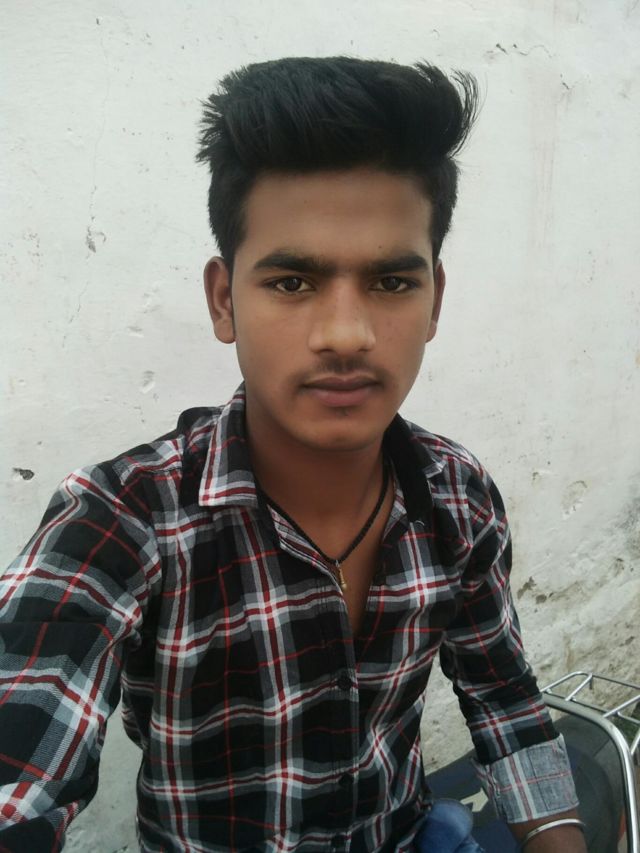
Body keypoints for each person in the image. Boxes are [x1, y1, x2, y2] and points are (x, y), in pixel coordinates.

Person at [0, 57, 586, 852]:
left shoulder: (459, 494)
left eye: (390, 282)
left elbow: (506, 700)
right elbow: (20, 768)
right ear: (223, 300)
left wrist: (557, 833)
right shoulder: (122, 520)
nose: (346, 333)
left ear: (434, 300)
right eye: (292, 282)